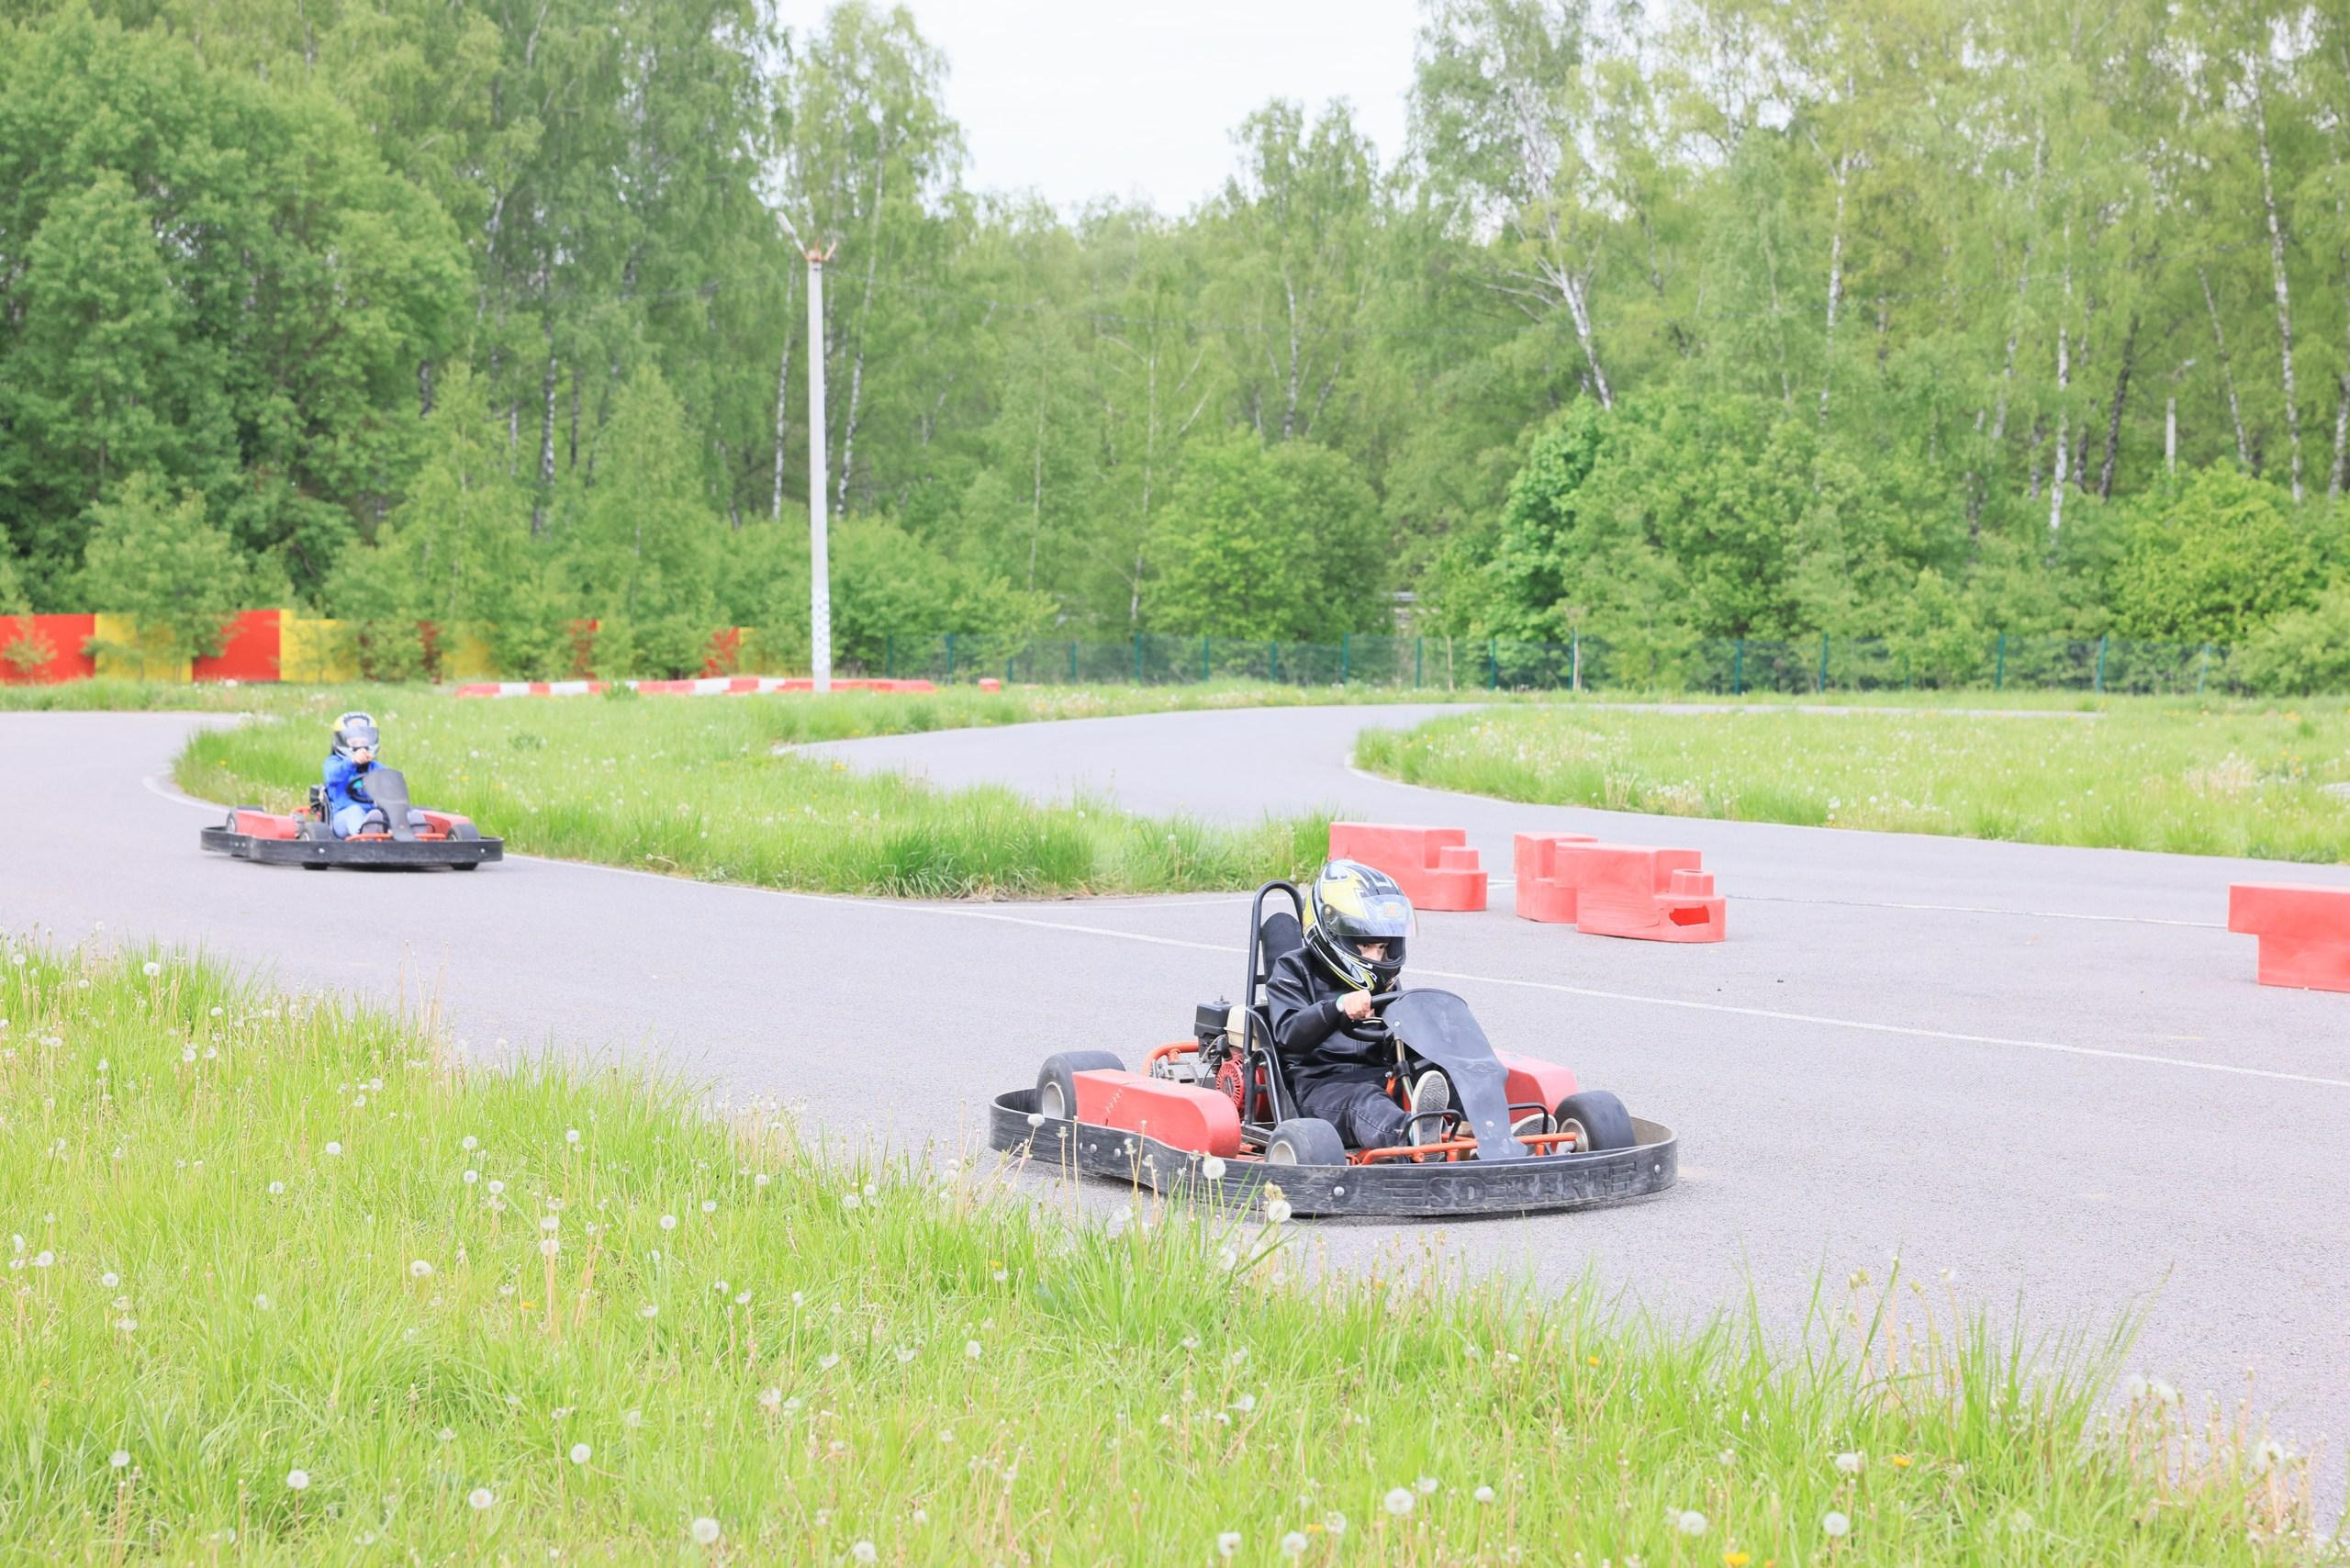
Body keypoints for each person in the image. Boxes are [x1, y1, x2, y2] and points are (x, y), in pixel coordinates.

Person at [1265, 859, 1451, 1150]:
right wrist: (1337, 1008)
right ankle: (1412, 1138)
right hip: (1321, 1088)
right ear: (1334, 934)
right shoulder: (1293, 969)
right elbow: (1290, 1034)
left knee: (1444, 1067)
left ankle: (1483, 1134)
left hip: (1382, 1078)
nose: (1376, 958)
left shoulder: (1383, 982)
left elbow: (1399, 1041)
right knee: (1366, 1100)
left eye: (1382, 947)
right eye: (1366, 946)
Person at [321, 711, 426, 838]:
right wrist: (352, 762)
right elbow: (332, 776)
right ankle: (365, 832)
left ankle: (413, 829)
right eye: (354, 743)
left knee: (396, 812)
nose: (361, 747)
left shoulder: (376, 767)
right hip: (343, 818)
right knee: (355, 811)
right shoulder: (334, 763)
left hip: (376, 816)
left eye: (364, 742)